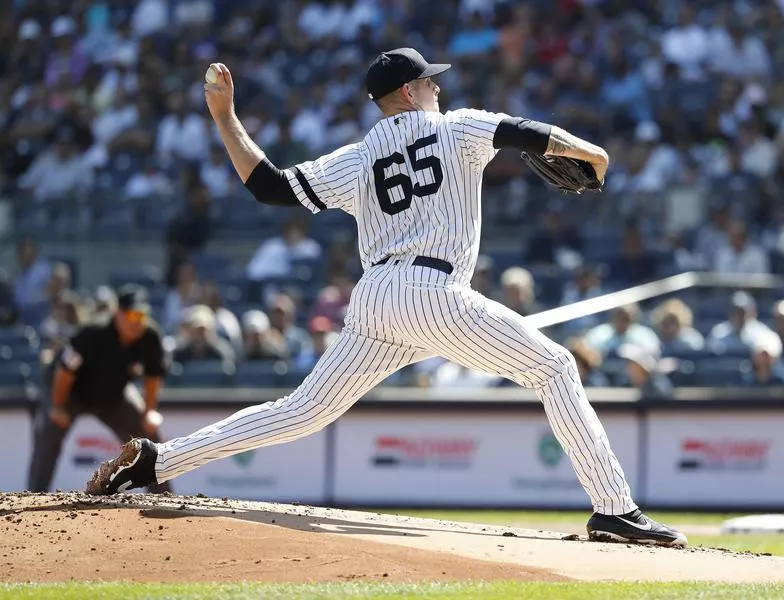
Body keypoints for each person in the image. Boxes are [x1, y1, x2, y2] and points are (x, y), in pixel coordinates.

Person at [87, 50, 686, 546]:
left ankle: (158, 462)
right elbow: (523, 132)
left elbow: (268, 187)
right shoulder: (457, 127)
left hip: (375, 296)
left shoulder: (358, 156)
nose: (437, 89)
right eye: (429, 81)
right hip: (432, 289)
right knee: (555, 367)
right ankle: (614, 509)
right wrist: (591, 152)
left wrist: (224, 116)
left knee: (302, 411)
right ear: (406, 91)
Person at [28, 286, 170, 493]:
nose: (136, 320)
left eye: (141, 314)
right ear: (118, 314)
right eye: (131, 314)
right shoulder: (93, 333)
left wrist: (148, 411)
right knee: (49, 433)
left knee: (148, 436)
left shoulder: (150, 337)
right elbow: (64, 371)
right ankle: (34, 496)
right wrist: (57, 406)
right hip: (70, 392)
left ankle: (164, 499)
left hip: (114, 394)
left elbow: (153, 376)